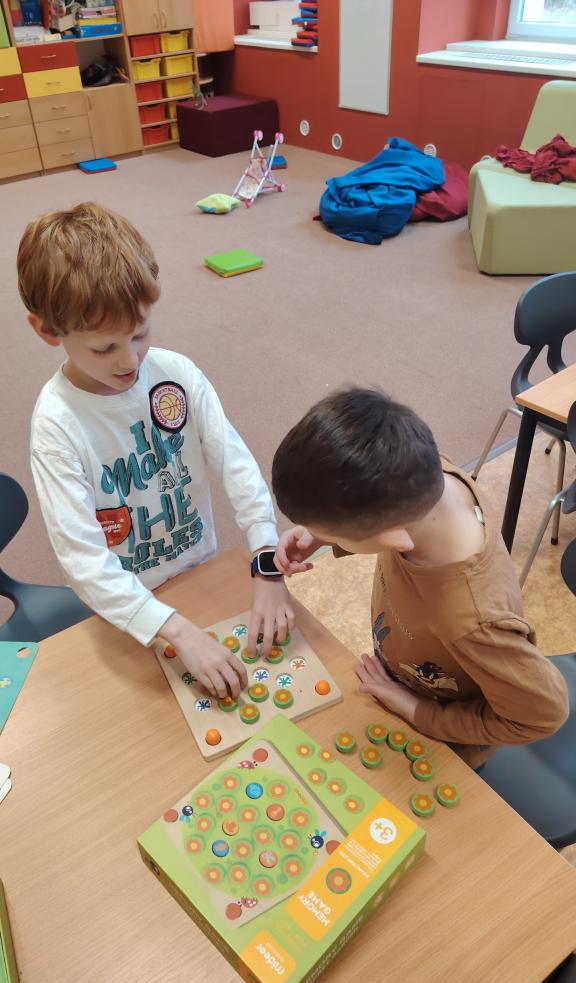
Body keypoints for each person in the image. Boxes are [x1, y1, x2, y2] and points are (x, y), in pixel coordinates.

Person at [20, 202, 293, 698]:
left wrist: (266, 559)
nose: (130, 360)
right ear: (46, 330)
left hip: (199, 569)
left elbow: (235, 464)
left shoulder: (177, 375)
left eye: (140, 333)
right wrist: (178, 632)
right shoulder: (57, 424)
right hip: (128, 608)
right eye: (103, 348)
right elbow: (84, 561)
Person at [271, 387, 568, 768]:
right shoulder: (426, 475)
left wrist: (414, 708)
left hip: (443, 744)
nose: (318, 537)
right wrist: (322, 533)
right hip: (404, 674)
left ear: (393, 540)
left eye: (331, 534)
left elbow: (542, 714)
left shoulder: (471, 620)